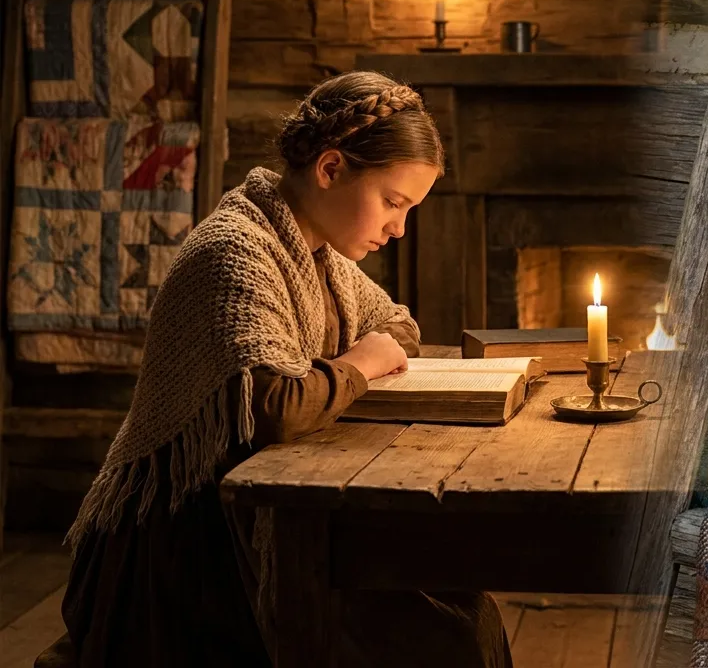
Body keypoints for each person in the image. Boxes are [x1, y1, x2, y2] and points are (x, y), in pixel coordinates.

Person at [58, 71, 513, 667]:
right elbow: (274, 406)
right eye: (393, 203)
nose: (399, 228)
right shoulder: (234, 251)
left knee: (463, 610)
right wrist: (355, 363)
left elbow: (397, 325)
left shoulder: (312, 250)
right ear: (330, 169)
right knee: (434, 637)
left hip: (268, 507)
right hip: (185, 545)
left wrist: (349, 363)